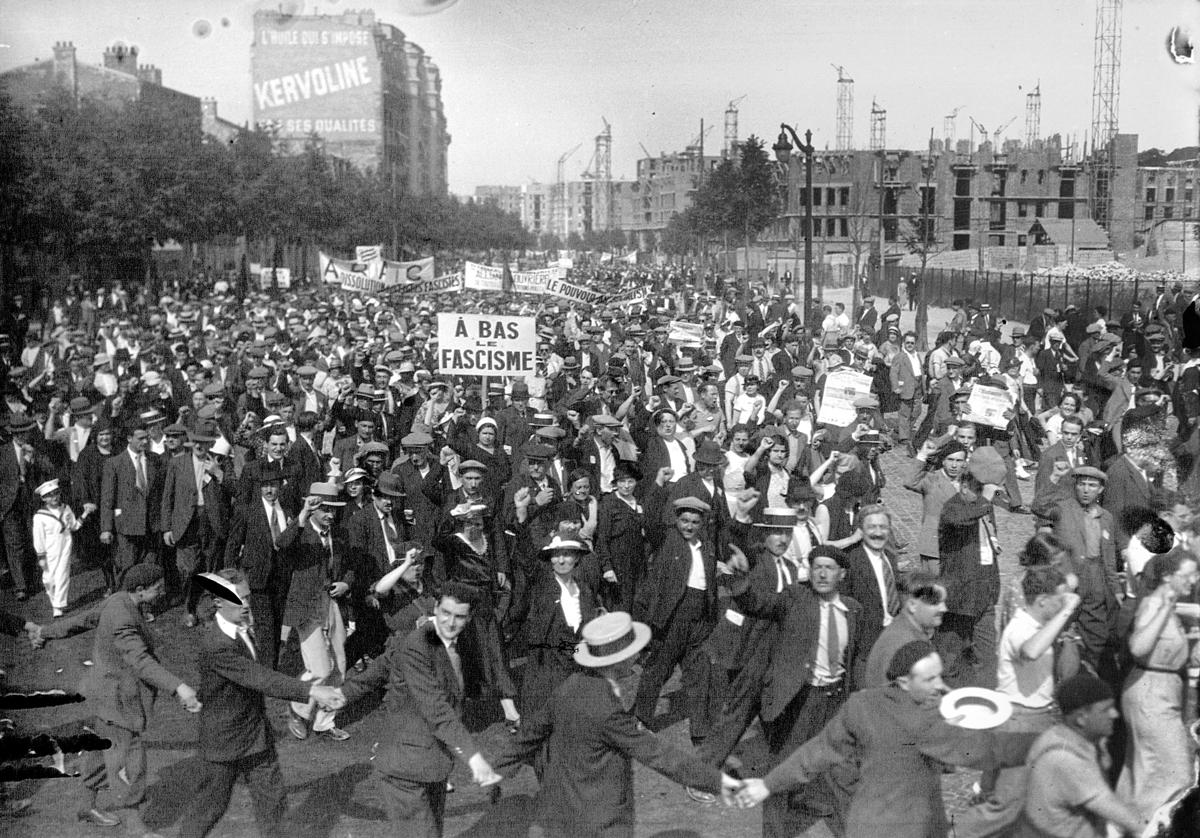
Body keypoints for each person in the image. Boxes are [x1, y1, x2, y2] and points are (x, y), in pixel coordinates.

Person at [732, 641, 1037, 837]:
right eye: (930, 679)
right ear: (904, 681)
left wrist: (767, 784)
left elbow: (818, 752)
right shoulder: (926, 722)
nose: (941, 687)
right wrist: (1049, 742)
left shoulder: (861, 704)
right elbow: (988, 751)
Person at [488, 611, 737, 838]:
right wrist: (717, 781)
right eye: (633, 652)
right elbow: (658, 754)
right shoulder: (607, 712)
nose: (638, 656)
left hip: (562, 814)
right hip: (600, 821)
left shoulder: (568, 687)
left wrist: (495, 770)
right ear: (619, 661)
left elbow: (529, 734)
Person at [177, 569, 343, 838]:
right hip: (224, 741)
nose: (246, 605)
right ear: (218, 602)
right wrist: (311, 690)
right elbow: (259, 677)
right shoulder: (215, 644)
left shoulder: (243, 627)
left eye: (247, 597)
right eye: (238, 599)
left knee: (274, 805)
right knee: (209, 808)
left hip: (256, 735)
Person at [335, 582, 502, 838]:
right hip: (404, 767)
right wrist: (473, 757)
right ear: (435, 608)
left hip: (434, 762)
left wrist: (341, 695)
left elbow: (380, 669)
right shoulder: (417, 644)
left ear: (468, 618)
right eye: (445, 613)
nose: (450, 622)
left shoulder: (459, 641)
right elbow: (436, 708)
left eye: (459, 617)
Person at [74, 563, 201, 830]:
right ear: (141, 591)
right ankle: (137, 830)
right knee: (131, 763)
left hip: (101, 697)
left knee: (99, 755)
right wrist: (179, 687)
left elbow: (83, 620)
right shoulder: (123, 619)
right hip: (117, 704)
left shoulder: (117, 600)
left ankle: (87, 806)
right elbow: (141, 662)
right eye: (158, 589)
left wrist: (45, 632)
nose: (162, 592)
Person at [1116, 550, 1200, 821]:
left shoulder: (1169, 602)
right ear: (1167, 576)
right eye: (1187, 576)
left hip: (1158, 693)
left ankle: (1122, 826)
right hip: (1151, 695)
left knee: (1143, 771)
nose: (1193, 581)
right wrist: (1166, 610)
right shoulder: (1156, 605)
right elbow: (1139, 646)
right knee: (1174, 772)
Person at [1020, 674, 1147, 837]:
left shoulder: (1057, 735)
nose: (1115, 714)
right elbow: (1127, 819)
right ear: (1081, 719)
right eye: (1105, 710)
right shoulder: (1066, 760)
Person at [862, 572, 948, 688]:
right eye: (935, 603)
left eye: (943, 602)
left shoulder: (906, 628)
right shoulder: (904, 643)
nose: (944, 609)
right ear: (912, 605)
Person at [32, 478, 83, 617]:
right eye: (49, 495)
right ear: (43, 499)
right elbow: (39, 538)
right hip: (49, 550)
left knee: (62, 575)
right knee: (48, 579)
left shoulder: (66, 508)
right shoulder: (39, 517)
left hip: (65, 544)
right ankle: (55, 600)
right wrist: (41, 556)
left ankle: (58, 606)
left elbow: (74, 526)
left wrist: (85, 514)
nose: (53, 497)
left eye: (56, 493)